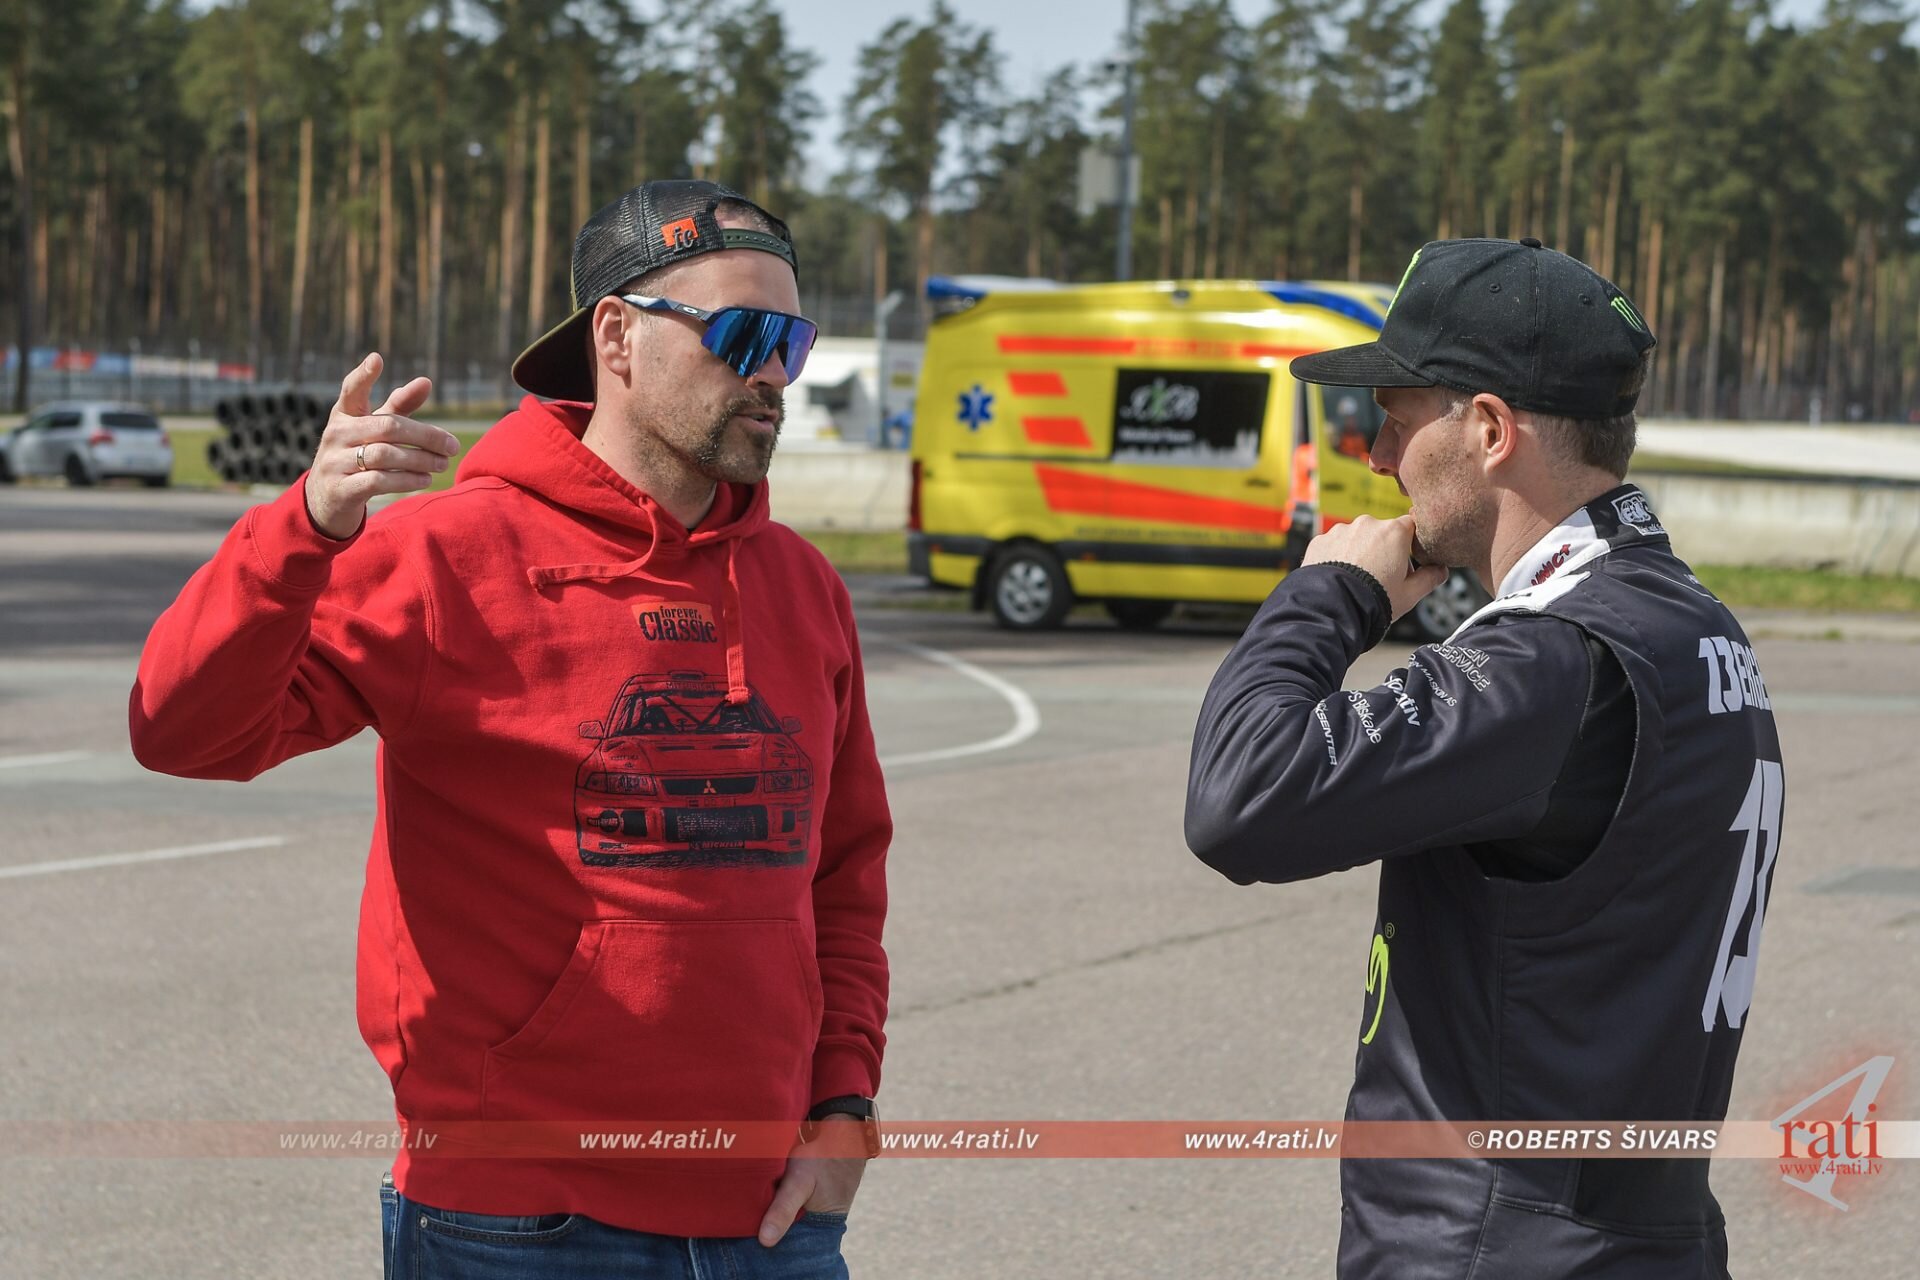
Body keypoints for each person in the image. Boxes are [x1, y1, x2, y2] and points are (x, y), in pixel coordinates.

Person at [131, 180, 891, 1278]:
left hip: (773, 1220)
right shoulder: (444, 555)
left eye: (792, 341)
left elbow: (845, 872)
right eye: (741, 334)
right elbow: (183, 731)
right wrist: (302, 530)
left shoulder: (803, 585)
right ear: (617, 337)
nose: (773, 374)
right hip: (517, 1228)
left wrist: (846, 1104)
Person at [1184, 238, 1783, 1279]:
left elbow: (1242, 797)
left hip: (1497, 1242)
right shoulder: (1693, 622)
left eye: (1397, 418)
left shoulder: (1553, 656)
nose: (1378, 456)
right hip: (1640, 1232)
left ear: (1492, 430)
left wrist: (1330, 595)